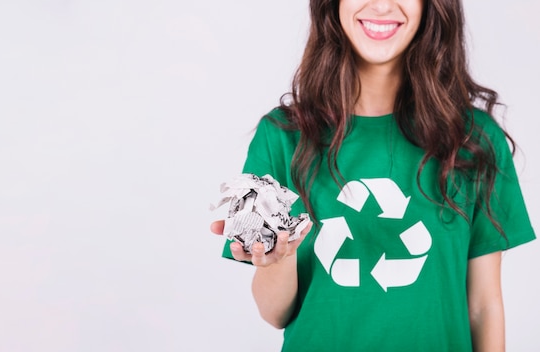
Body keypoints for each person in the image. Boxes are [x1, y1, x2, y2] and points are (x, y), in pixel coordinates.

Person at [210, 0, 536, 351]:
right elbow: (274, 313)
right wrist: (278, 258)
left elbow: (483, 307)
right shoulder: (283, 135)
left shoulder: (473, 139)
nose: (381, 5)